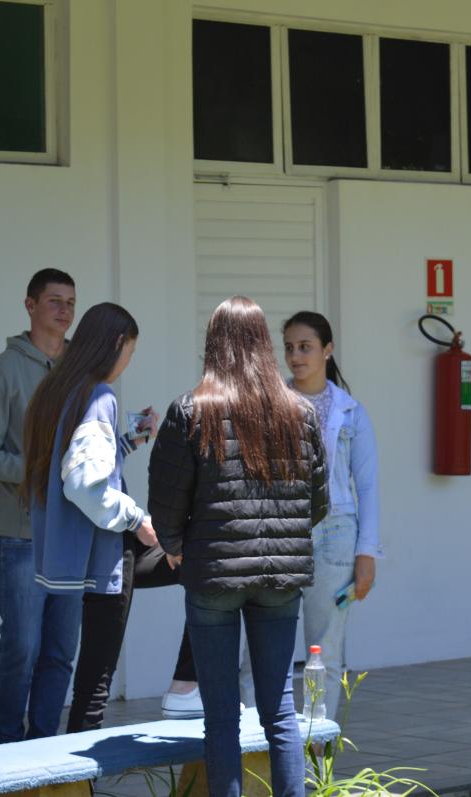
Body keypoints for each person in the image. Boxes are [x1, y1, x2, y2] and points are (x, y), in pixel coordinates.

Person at [149, 296, 328, 797]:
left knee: (222, 716)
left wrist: (174, 544)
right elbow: (318, 502)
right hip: (281, 581)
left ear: (214, 344)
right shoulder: (300, 412)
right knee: (280, 710)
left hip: (214, 575)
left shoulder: (191, 410)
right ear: (264, 345)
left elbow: (166, 495)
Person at [19, 302, 199, 734]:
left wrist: (128, 441)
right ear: (117, 344)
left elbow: (70, 467)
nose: (127, 363)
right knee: (95, 687)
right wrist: (137, 518)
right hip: (106, 553)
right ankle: (186, 686)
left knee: (197, 564)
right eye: (130, 352)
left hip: (78, 552)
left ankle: (187, 685)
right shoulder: (99, 396)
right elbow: (83, 485)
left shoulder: (57, 390)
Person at [240, 311, 380, 721]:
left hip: (336, 535)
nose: (295, 356)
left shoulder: (351, 412)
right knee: (261, 651)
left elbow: (367, 487)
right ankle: (261, 748)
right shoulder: (269, 404)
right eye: (289, 348)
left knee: (325, 653)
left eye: (306, 347)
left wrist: (367, 554)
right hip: (278, 534)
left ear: (327, 350)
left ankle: (316, 751)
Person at [0, 268, 82, 744]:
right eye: (54, 300)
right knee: (22, 648)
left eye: (71, 302)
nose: (64, 310)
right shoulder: (0, 371)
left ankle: (44, 749)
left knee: (60, 653)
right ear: (30, 305)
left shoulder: (83, 371)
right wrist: (40, 470)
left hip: (72, 534)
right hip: (21, 536)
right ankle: (7, 750)